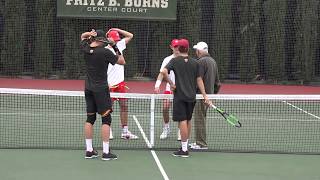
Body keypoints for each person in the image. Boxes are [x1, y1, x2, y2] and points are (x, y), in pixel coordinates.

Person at [161, 38, 212, 157]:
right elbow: (199, 80)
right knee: (188, 120)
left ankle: (184, 150)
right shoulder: (196, 62)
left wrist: (171, 84)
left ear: (179, 48)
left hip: (180, 96)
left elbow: (163, 71)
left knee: (182, 121)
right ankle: (185, 145)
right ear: (188, 48)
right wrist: (205, 96)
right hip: (192, 96)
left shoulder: (175, 61)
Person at [80, 29, 125, 161]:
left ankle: (89, 151)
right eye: (103, 41)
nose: (105, 43)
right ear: (99, 40)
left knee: (90, 119)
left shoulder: (86, 48)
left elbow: (82, 36)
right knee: (106, 120)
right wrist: (115, 46)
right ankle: (106, 152)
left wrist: (89, 33)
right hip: (101, 90)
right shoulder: (105, 52)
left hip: (88, 89)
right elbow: (122, 61)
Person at [106, 28, 138, 140]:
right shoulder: (104, 50)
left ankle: (125, 131)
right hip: (109, 84)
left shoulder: (119, 45)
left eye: (116, 39)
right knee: (108, 108)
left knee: (124, 106)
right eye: (113, 39)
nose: (115, 41)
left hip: (121, 84)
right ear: (108, 39)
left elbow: (130, 35)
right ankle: (108, 129)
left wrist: (116, 29)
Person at [189, 41, 221, 150]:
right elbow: (218, 83)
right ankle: (199, 141)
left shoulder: (201, 62)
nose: (196, 52)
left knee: (199, 119)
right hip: (208, 96)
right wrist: (212, 96)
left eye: (197, 50)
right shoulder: (213, 61)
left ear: (200, 51)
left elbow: (199, 79)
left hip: (201, 96)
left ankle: (201, 144)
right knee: (201, 118)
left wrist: (204, 95)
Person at [154, 39, 181, 140]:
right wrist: (157, 85)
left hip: (181, 90)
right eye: (175, 47)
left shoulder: (184, 59)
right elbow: (162, 73)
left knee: (180, 110)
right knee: (165, 108)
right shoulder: (167, 60)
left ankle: (180, 131)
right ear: (171, 47)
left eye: (178, 47)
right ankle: (166, 128)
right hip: (169, 89)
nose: (177, 49)